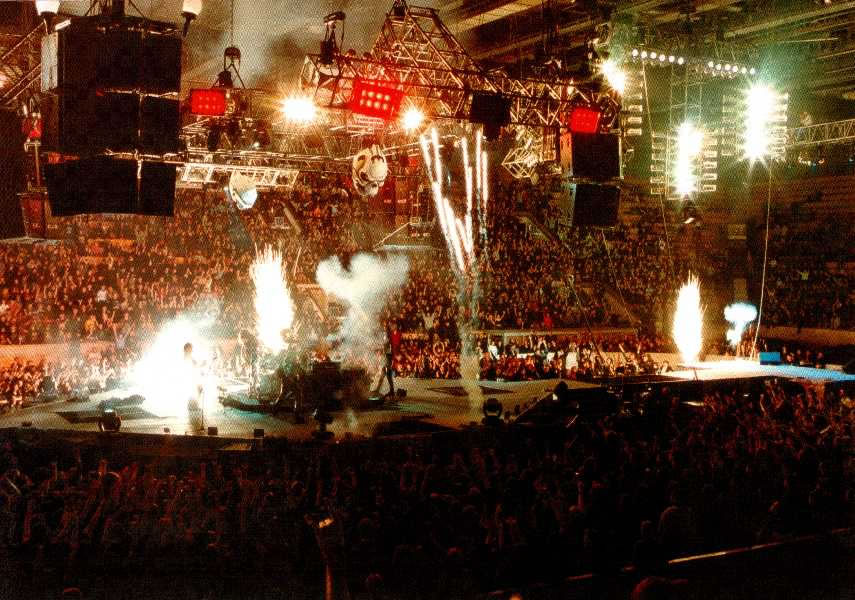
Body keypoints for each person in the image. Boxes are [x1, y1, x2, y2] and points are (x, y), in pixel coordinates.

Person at [184, 342, 205, 433]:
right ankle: (193, 404)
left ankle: (194, 404)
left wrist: (200, 367)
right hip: (190, 377)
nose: (192, 350)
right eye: (190, 348)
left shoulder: (189, 357)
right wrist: (201, 365)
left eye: (191, 348)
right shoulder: (186, 357)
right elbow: (193, 365)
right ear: (187, 349)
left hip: (193, 376)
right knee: (198, 389)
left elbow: (195, 365)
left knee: (199, 389)